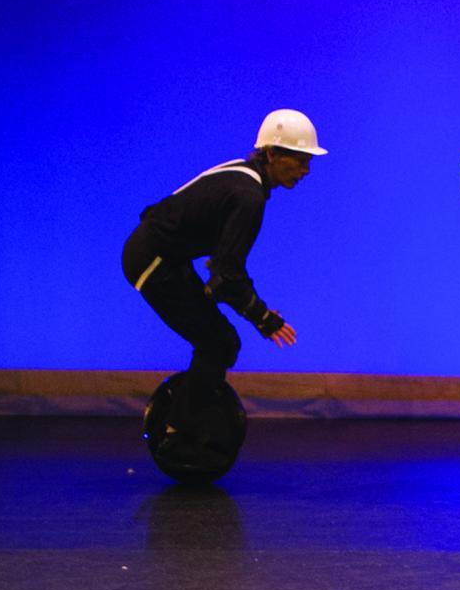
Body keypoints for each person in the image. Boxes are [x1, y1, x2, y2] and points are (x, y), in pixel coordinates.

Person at [121, 110, 323, 463]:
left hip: (165, 257)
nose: (305, 170)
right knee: (218, 342)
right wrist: (262, 317)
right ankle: (176, 435)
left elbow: (221, 270)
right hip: (152, 262)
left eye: (308, 162)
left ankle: (183, 420)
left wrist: (226, 295)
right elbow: (227, 273)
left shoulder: (242, 176)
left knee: (220, 339)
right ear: (272, 154)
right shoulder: (249, 196)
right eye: (299, 160)